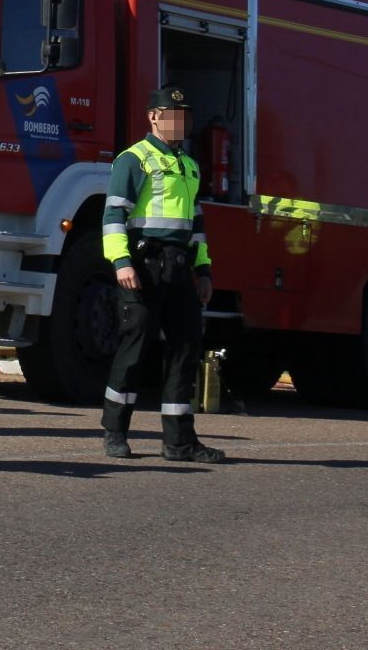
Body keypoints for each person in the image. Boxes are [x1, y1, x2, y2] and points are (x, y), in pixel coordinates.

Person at [100, 85, 225, 464]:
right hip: (143, 263)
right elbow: (113, 216)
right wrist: (121, 263)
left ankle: (179, 442)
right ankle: (115, 433)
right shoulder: (133, 159)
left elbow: (197, 224)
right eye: (173, 115)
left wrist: (203, 269)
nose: (180, 122)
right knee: (134, 348)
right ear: (154, 117)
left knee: (185, 349)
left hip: (179, 266)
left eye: (185, 117)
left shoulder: (189, 165)